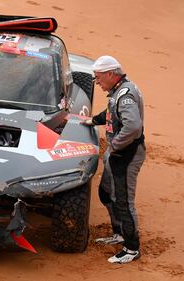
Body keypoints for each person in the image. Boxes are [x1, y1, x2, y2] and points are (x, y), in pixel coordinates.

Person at [82, 55, 145, 263]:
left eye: (99, 77)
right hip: (117, 152)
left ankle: (131, 248)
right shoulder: (118, 91)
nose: (97, 82)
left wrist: (115, 146)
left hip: (125, 154)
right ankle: (119, 233)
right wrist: (92, 121)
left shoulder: (125, 94)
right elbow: (111, 113)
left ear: (110, 74)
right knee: (106, 193)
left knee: (123, 201)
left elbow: (133, 127)